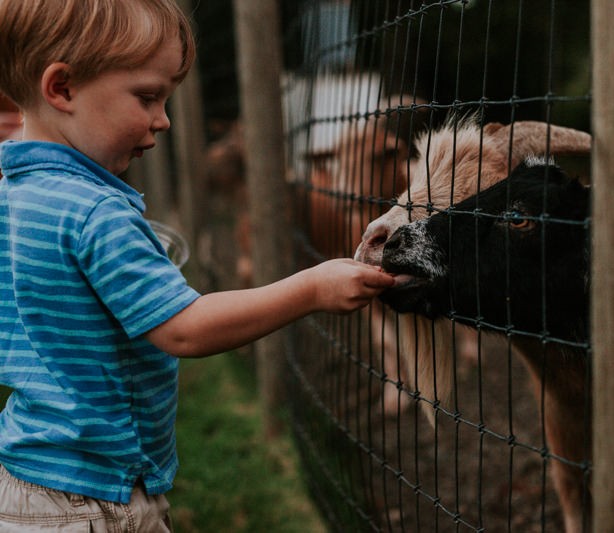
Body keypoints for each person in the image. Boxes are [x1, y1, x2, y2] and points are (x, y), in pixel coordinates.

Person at [0, 0, 395, 530]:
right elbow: (184, 330)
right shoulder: (95, 212)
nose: (162, 120)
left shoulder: (14, 193)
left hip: (28, 478)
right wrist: (310, 289)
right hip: (95, 499)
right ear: (63, 89)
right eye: (147, 97)